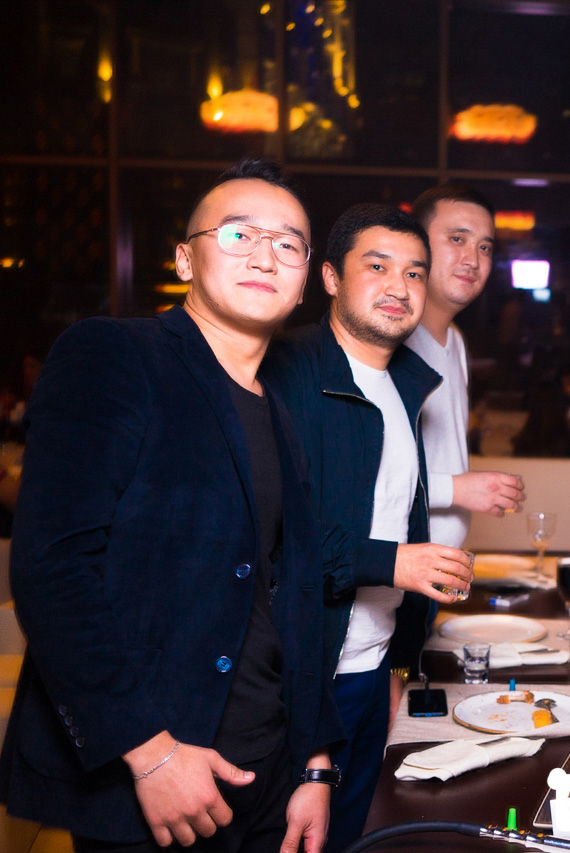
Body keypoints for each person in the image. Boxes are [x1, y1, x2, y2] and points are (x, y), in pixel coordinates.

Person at [0, 160, 344, 851]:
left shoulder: (278, 412)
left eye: (288, 244)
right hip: (158, 776)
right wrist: (150, 752)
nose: (265, 256)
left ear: (305, 278)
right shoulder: (115, 355)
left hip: (269, 773)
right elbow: (52, 569)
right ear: (185, 259)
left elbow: (293, 599)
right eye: (239, 233)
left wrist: (314, 762)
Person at [259, 203, 475, 852]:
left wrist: (395, 665)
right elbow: (273, 539)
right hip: (296, 680)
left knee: (354, 839)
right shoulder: (286, 372)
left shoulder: (405, 383)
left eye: (414, 273)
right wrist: (394, 562)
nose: (398, 286)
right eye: (376, 267)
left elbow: (392, 513)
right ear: (330, 277)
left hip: (369, 669)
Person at [404, 185, 524, 554]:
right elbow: (359, 476)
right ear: (416, 244)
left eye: (484, 247)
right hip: (391, 570)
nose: (472, 259)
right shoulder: (389, 342)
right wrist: (459, 489)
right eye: (457, 239)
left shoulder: (454, 340)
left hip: (441, 567)